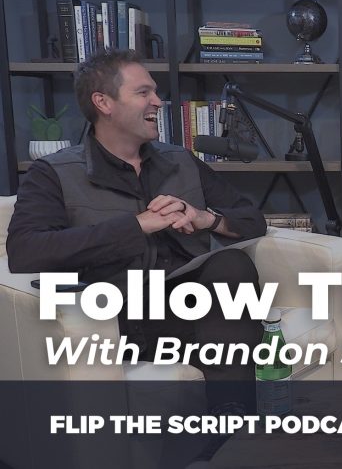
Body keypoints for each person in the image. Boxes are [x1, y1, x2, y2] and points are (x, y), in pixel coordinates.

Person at [7, 49, 267, 457]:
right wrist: (136, 226)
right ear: (103, 102)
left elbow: (252, 220)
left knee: (232, 265)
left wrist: (205, 218)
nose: (158, 102)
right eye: (143, 92)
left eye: (156, 92)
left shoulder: (180, 161)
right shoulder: (53, 173)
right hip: (117, 317)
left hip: (181, 310)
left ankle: (233, 425)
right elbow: (26, 251)